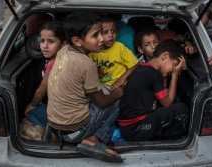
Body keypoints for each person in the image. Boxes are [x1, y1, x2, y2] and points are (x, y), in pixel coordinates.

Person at [46, 12, 123, 163]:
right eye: (95, 35)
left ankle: (59, 136)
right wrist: (118, 94)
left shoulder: (63, 51)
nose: (102, 38)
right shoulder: (87, 64)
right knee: (116, 101)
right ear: (77, 40)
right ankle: (94, 139)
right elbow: (101, 102)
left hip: (54, 124)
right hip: (75, 130)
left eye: (102, 32)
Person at [117, 39, 189, 141]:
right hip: (136, 128)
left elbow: (164, 94)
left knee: (175, 99)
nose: (175, 68)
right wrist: (175, 75)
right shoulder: (153, 74)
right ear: (164, 56)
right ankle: (173, 143)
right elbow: (167, 103)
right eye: (175, 64)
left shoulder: (144, 68)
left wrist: (169, 74)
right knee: (181, 109)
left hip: (129, 128)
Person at [24, 21, 66, 130]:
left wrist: (33, 104)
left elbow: (40, 92)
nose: (45, 46)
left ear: (63, 44)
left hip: (61, 114)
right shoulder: (70, 58)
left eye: (51, 41)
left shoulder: (55, 62)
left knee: (29, 112)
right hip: (69, 111)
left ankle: (52, 132)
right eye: (42, 41)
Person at [89, 17, 139, 95]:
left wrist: (122, 78)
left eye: (113, 31)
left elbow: (135, 64)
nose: (110, 35)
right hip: (99, 87)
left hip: (116, 86)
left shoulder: (119, 48)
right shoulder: (93, 50)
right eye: (105, 32)